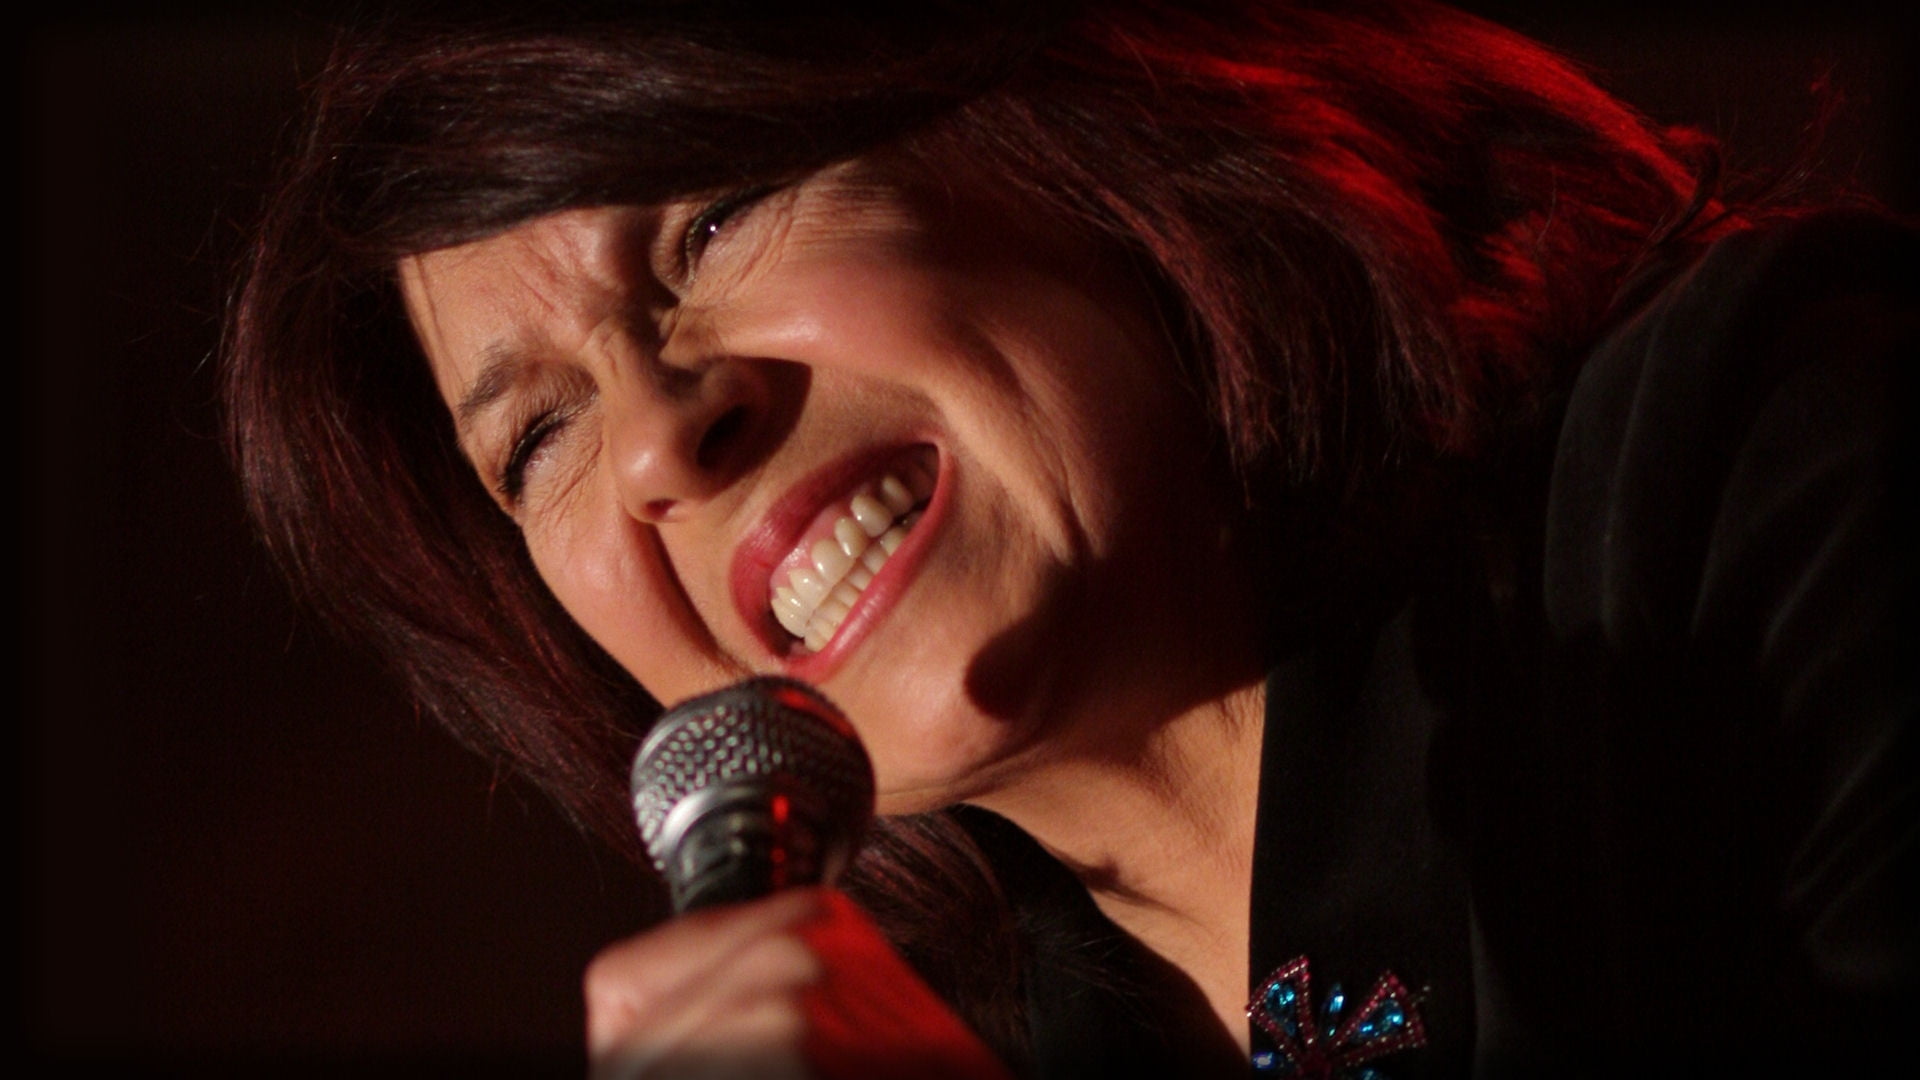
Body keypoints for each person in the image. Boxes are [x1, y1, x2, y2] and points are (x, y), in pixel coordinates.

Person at [223, 0, 1915, 1074]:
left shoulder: (1774, 458)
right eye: (539, 433)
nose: (664, 430)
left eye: (715, 218)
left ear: (1056, 116)